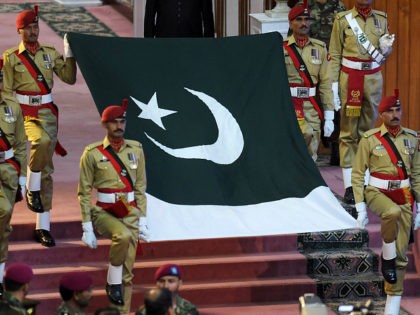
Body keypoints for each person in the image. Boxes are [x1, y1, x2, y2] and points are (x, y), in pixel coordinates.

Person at [1, 5, 77, 247]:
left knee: (47, 170)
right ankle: (28, 192)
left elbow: (69, 78)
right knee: (39, 143)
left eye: (36, 27)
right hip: (23, 113)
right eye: (28, 28)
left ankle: (42, 227)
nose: (34, 31)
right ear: (19, 31)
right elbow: (7, 92)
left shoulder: (50, 53)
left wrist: (70, 53)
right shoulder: (12, 58)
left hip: (47, 113)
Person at [78, 99, 150, 314]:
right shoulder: (92, 153)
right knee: (123, 236)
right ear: (104, 125)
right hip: (103, 211)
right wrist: (87, 227)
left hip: (129, 211)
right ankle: (112, 281)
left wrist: (143, 218)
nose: (119, 126)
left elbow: (140, 187)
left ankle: (121, 311)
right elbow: (83, 192)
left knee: (128, 274)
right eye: (114, 122)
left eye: (122, 121)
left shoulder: (136, 149)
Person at [352, 90, 420, 315]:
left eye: (397, 109)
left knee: (402, 256)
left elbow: (417, 175)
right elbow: (358, 173)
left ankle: (391, 309)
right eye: (389, 111)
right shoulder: (370, 139)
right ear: (381, 115)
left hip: (404, 194)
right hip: (376, 191)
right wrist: (360, 206)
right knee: (391, 212)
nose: (395, 114)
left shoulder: (411, 138)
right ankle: (386, 254)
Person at [329, 0, 395, 203]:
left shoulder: (381, 19)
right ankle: (350, 186)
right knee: (348, 133)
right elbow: (335, 53)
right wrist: (332, 85)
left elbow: (385, 54)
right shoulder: (342, 19)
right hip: (350, 80)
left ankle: (364, 183)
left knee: (367, 134)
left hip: (373, 80)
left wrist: (386, 50)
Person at [283, 0, 335, 162]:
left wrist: (329, 116)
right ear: (291, 24)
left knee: (312, 145)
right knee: (293, 145)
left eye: (306, 20)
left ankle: (308, 184)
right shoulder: (281, 48)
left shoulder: (320, 48)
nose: (303, 23)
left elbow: (326, 84)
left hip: (311, 105)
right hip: (289, 104)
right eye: (299, 20)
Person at [0, 59, 27, 299]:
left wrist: (23, 178)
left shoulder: (12, 106)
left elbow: (20, 143)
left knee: (4, 221)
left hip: (7, 170)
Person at [144, 0, 215, 38]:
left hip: (193, 44)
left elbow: (208, 17)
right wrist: (149, 45)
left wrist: (208, 46)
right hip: (164, 42)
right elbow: (149, 15)